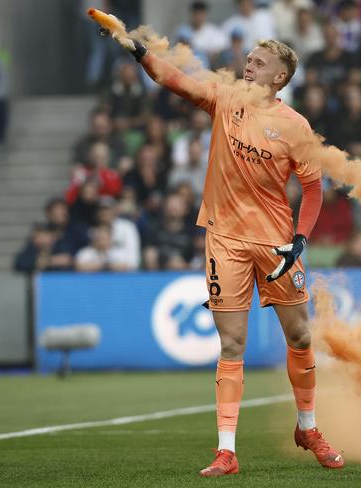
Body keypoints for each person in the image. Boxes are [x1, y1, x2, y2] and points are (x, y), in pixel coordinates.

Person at [104, 24, 342, 476]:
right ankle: (226, 451)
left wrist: (299, 240)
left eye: (257, 63)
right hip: (224, 238)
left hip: (275, 244)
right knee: (231, 343)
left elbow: (313, 191)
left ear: (279, 77)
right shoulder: (224, 96)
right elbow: (175, 80)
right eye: (247, 60)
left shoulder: (296, 127)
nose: (246, 66)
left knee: (301, 337)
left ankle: (308, 427)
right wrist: (138, 51)